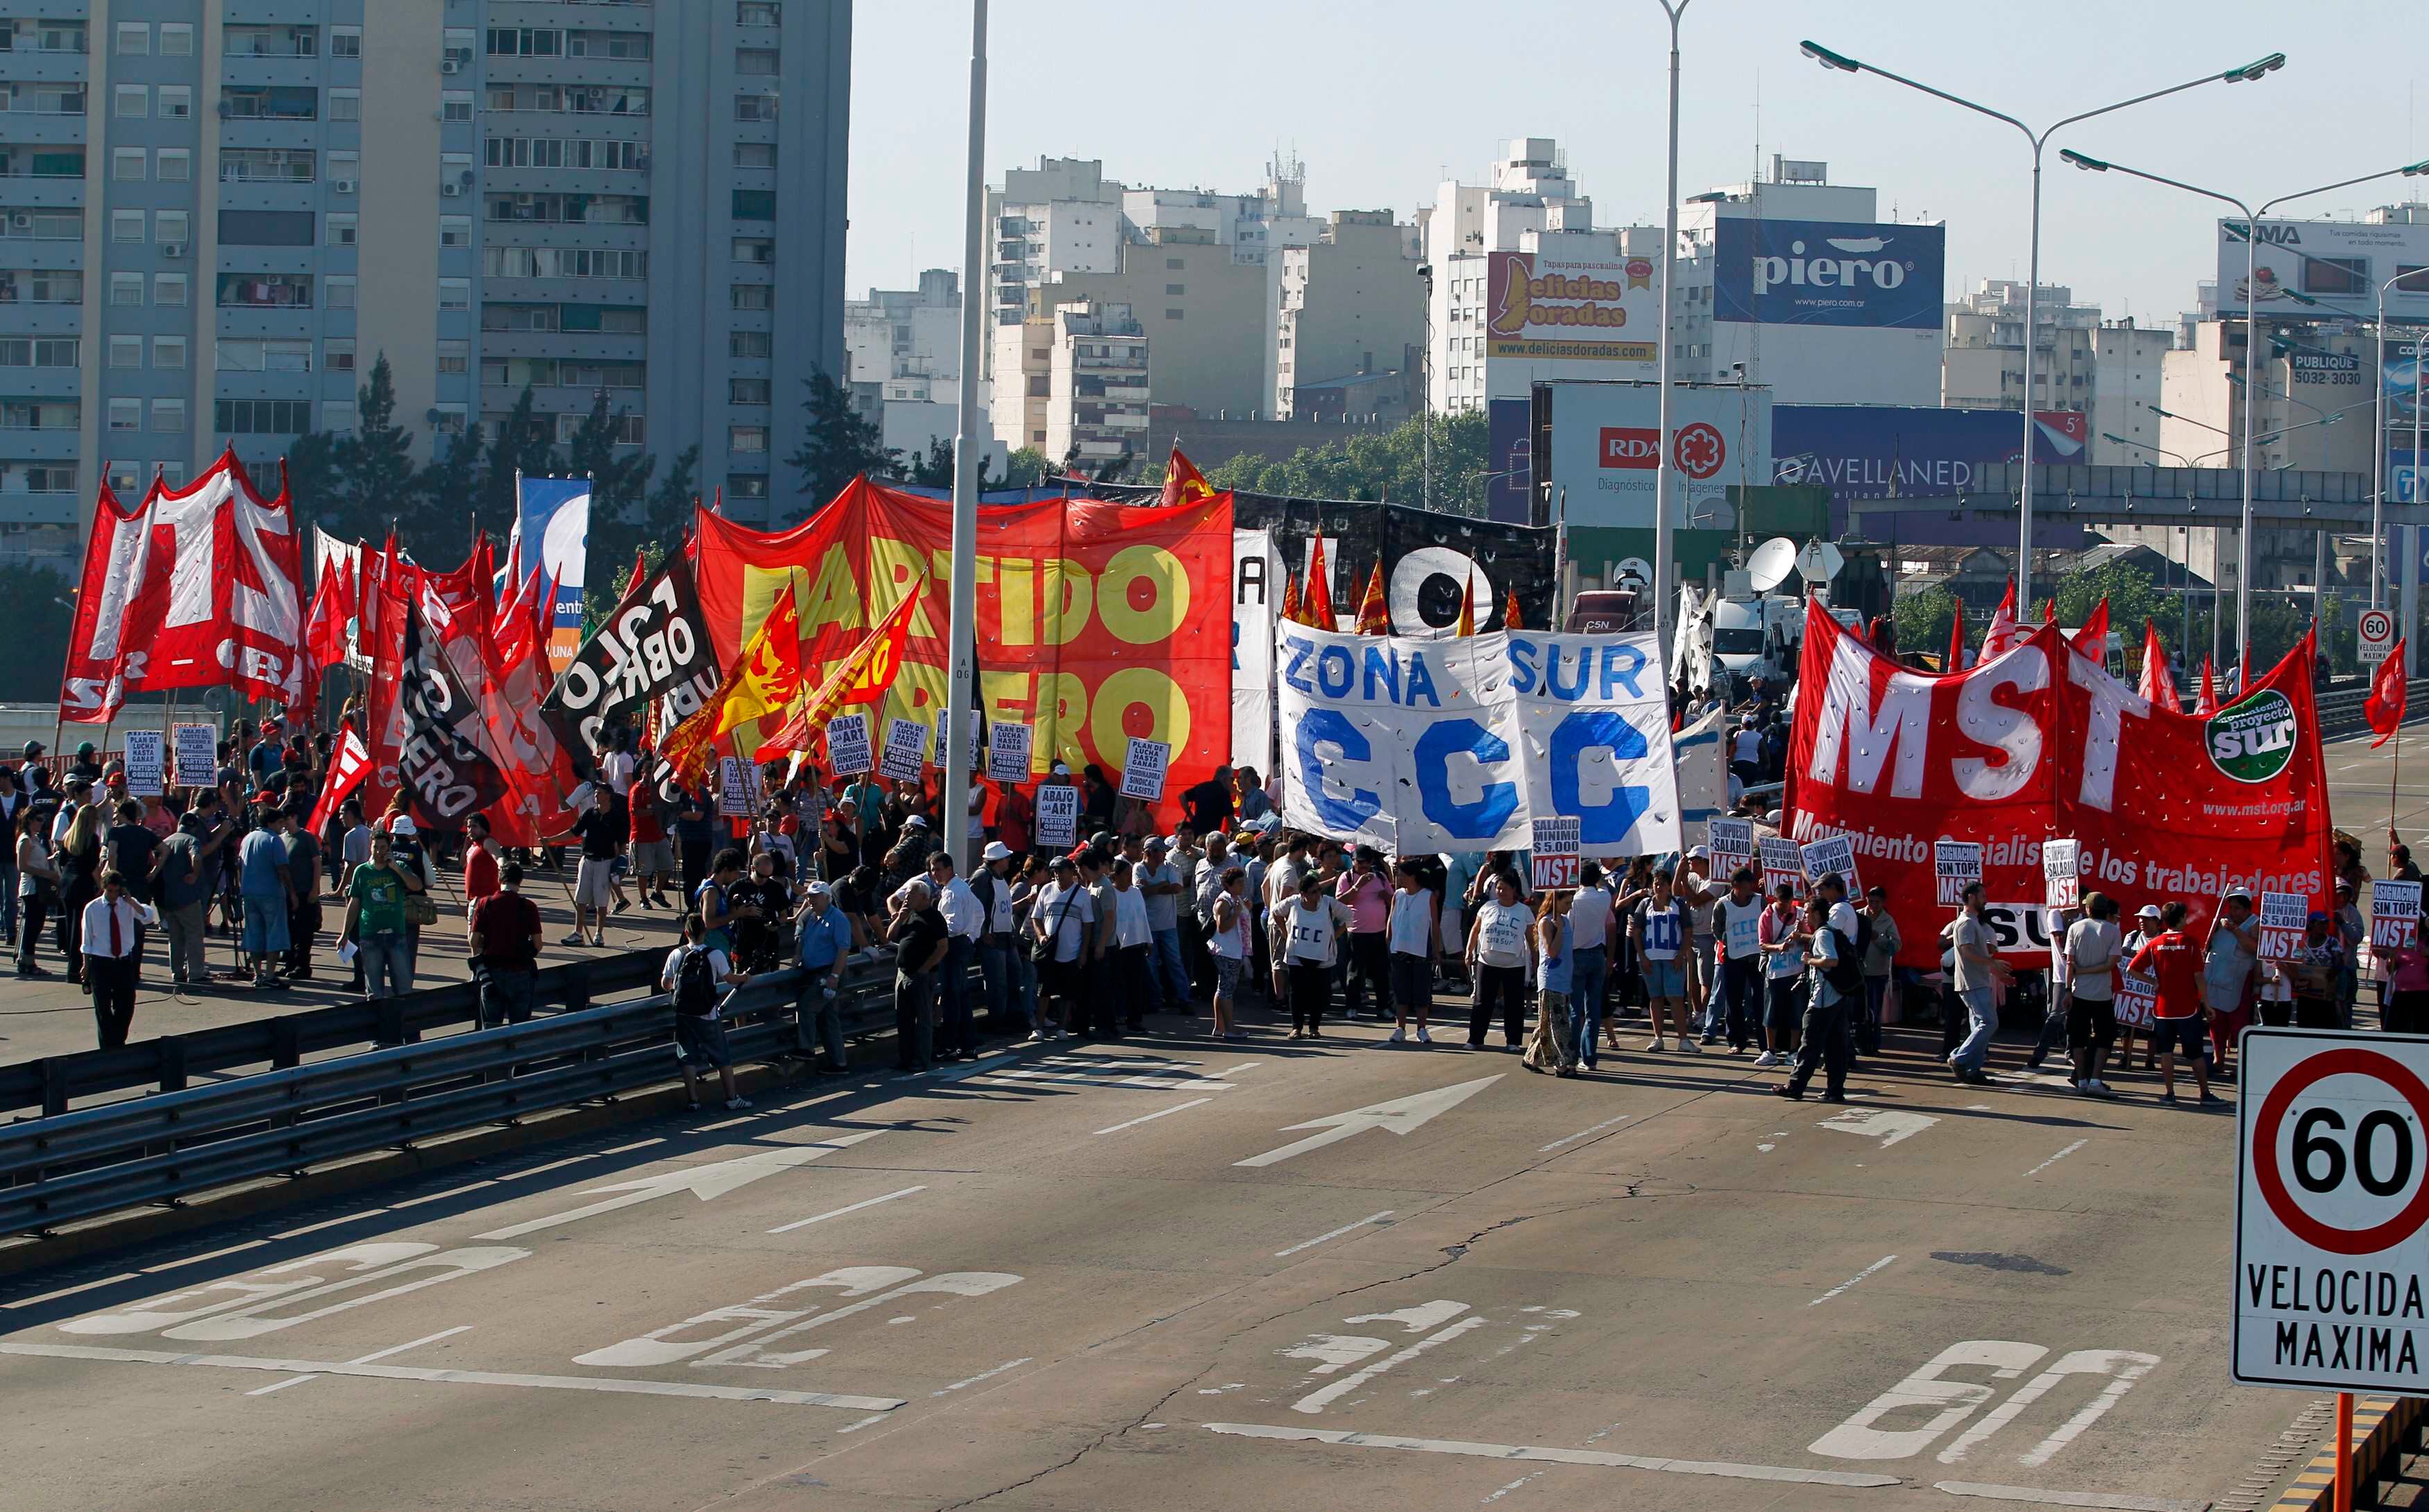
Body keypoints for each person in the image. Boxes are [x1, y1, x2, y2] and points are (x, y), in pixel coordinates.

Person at [2128, 900, 2217, 1106]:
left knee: (2165, 1052)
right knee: (2195, 1053)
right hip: (2187, 1009)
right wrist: (2207, 1004)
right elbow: (2199, 977)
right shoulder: (2191, 942)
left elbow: (2131, 969)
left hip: (2163, 1010)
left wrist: (2152, 982)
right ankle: (2205, 1093)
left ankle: (2169, 1093)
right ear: (2182, 918)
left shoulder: (2155, 943)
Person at [662, 913, 752, 1111]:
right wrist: (744, 977)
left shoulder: (677, 954)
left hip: (684, 1013)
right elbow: (729, 979)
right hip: (708, 1013)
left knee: (687, 1055)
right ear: (705, 931)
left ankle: (693, 1100)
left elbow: (665, 983)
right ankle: (731, 1098)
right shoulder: (715, 954)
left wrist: (676, 994)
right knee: (722, 1057)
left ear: (686, 932)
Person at [1776, 895, 1854, 1103]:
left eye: (1808, 912)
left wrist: (1810, 960)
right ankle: (1835, 1090)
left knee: (1809, 1044)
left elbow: (1832, 961)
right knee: (1836, 1047)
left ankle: (1795, 1086)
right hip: (1837, 997)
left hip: (1822, 1000)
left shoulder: (1822, 936)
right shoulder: (1829, 933)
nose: (1806, 917)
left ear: (1817, 914)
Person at [915, 851, 983, 1060]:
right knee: (960, 997)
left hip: (952, 946)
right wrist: (972, 937)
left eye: (938, 869)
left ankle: (949, 1045)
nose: (934, 874)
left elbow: (952, 926)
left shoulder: (954, 892)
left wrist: (937, 935)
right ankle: (967, 1045)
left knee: (952, 999)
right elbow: (979, 912)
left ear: (949, 869)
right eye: (932, 870)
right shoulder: (960, 888)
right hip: (961, 944)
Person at [342, 830, 425, 1000]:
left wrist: (395, 867)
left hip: (396, 935)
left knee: (403, 988)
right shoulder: (362, 871)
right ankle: (379, 1025)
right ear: (370, 847)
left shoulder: (399, 867)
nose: (379, 852)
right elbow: (354, 903)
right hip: (371, 936)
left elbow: (417, 886)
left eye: (383, 848)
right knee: (374, 992)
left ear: (389, 849)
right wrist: (344, 934)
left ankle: (405, 1024)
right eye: (376, 847)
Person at [1271, 870, 1351, 1040]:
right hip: (1297, 955)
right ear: (1303, 894)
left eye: (1318, 890)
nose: (1318, 894)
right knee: (1297, 992)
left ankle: (1314, 1027)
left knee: (1319, 993)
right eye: (1313, 891)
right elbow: (1276, 912)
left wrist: (1334, 937)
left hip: (1322, 957)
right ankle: (1296, 1028)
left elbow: (1348, 916)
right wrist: (1286, 933)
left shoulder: (1328, 903)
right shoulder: (1294, 903)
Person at [81, 869, 156, 1048]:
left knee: (126, 1006)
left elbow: (148, 917)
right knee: (103, 1009)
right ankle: (108, 1048)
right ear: (104, 888)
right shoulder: (92, 908)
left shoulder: (128, 905)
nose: (114, 895)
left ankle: (118, 1041)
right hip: (101, 962)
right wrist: (86, 965)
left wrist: (130, 900)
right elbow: (87, 940)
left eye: (117, 891)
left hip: (123, 962)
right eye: (110, 891)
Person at [791, 879, 858, 1074]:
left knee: (806, 1006)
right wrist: (798, 954)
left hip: (828, 974)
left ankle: (806, 1048)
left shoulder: (837, 919)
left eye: (815, 897)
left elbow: (843, 949)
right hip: (816, 973)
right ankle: (839, 1062)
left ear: (827, 898)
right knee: (828, 1019)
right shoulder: (812, 917)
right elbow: (801, 938)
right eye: (810, 897)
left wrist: (835, 975)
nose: (811, 900)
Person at [1947, 883, 2011, 1085]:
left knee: (1980, 1024)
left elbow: (1979, 954)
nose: (1986, 899)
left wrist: (1999, 973)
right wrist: (1993, 963)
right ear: (1972, 897)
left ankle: (1972, 1069)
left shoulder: (1973, 922)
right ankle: (1959, 1058)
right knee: (1989, 1022)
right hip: (1972, 982)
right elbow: (1967, 952)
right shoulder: (1966, 922)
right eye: (1983, 896)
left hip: (1977, 981)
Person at [468, 862, 544, 1026]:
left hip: (492, 974)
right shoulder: (528, 906)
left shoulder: (485, 904)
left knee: (491, 1029)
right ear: (520, 881)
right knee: (520, 1029)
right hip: (521, 973)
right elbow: (538, 944)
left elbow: (473, 941)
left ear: (499, 879)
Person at [888, 877, 949, 1073]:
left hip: (922, 975)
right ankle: (905, 1059)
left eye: (910, 895)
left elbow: (943, 948)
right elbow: (889, 936)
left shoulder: (935, 918)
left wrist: (925, 968)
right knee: (903, 1019)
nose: (906, 898)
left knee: (922, 1020)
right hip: (903, 973)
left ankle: (922, 1060)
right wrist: (899, 918)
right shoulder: (909, 915)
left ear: (923, 897)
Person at [1029, 855, 1094, 1042]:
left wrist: (1083, 952)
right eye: (1055, 871)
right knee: (1044, 991)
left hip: (1071, 952)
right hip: (1049, 952)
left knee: (1068, 992)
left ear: (1071, 872)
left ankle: (1063, 1028)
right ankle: (1039, 1028)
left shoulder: (1082, 894)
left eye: (1061, 871)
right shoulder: (1046, 890)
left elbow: (1088, 925)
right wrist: (1041, 936)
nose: (1057, 875)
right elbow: (1037, 917)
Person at [1465, 870, 1532, 1050]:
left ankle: (1513, 1041)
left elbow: (1531, 938)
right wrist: (1469, 950)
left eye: (1505, 889)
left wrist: (1536, 959)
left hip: (1514, 964)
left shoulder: (1524, 910)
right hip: (1487, 961)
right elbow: (1476, 929)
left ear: (1514, 890)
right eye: (1498, 888)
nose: (1501, 892)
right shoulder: (1487, 907)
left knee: (1514, 1004)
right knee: (1482, 1001)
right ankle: (1475, 1039)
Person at [2063, 893, 2122, 1096]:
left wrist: (2067, 990)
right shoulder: (2113, 930)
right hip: (2102, 995)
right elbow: (2111, 963)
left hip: (2080, 992)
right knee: (2105, 1038)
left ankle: (2082, 1081)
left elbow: (2070, 964)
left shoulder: (2075, 928)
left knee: (2078, 1039)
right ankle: (2095, 1079)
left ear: (2088, 909)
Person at [1709, 867, 1766, 1054]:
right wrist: (1730, 942)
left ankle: (1766, 1043)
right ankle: (1737, 1041)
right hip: (1733, 957)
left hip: (1757, 958)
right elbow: (1717, 929)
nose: (1750, 887)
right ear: (1735, 886)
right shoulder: (1722, 905)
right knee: (1733, 1001)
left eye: (1751, 883)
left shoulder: (1760, 901)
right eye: (1746, 884)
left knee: (1761, 1000)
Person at [1333, 846, 1393, 1023]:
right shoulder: (1347, 878)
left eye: (1367, 863)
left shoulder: (1380, 877)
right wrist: (1358, 887)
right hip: (1357, 933)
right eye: (1360, 863)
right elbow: (1340, 901)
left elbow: (1393, 901)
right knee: (1355, 972)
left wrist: (1385, 896)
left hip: (1379, 932)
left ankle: (1383, 1007)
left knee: (1381, 973)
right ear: (1353, 861)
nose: (1364, 866)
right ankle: (1352, 1006)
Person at [236, 806, 293, 991]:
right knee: (274, 934)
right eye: (279, 823)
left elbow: (239, 864)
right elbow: (283, 868)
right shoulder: (274, 840)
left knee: (253, 933)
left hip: (249, 892)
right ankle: (269, 975)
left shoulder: (248, 838)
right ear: (271, 823)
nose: (282, 827)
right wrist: (292, 891)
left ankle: (257, 974)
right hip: (271, 893)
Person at [556, 790, 622, 949]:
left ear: (608, 796)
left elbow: (620, 842)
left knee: (601, 901)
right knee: (581, 898)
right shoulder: (589, 814)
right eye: (597, 792)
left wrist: (619, 864)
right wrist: (551, 840)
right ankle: (578, 933)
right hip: (587, 860)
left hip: (604, 862)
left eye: (600, 793)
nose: (596, 795)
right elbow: (574, 831)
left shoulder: (615, 817)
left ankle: (599, 934)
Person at [1524, 889, 1579, 1076]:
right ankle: (1563, 1064)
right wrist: (1560, 931)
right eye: (1566, 903)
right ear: (1556, 901)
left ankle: (1531, 1058)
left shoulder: (1565, 920)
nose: (1569, 906)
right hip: (1551, 979)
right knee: (1559, 1024)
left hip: (1564, 978)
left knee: (1547, 1022)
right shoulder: (1546, 922)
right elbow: (1552, 951)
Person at [1752, 881, 1806, 1068]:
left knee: (1796, 1013)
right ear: (1776, 900)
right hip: (1775, 972)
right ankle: (1771, 1050)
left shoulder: (1801, 914)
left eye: (1788, 904)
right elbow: (1763, 944)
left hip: (1797, 971)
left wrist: (1801, 934)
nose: (1785, 908)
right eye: (1782, 904)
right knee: (1771, 1013)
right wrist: (1779, 947)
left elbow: (1810, 938)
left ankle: (1793, 1051)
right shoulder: (1767, 916)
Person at [2203, 889, 2259, 1069]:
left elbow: (2255, 948)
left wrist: (2234, 930)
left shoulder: (2254, 924)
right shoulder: (2222, 921)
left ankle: (2241, 1064)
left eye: (2237, 908)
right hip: (2216, 977)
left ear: (2246, 909)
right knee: (2216, 1021)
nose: (2233, 912)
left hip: (2239, 981)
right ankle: (2218, 1059)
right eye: (2231, 907)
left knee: (2239, 1024)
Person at [1388, 858, 1437, 1046]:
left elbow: (1435, 924)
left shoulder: (1427, 895)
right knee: (1401, 990)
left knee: (1421, 991)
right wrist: (1388, 940)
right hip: (1399, 947)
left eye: (1402, 874)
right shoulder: (1398, 895)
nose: (1399, 878)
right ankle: (1400, 1028)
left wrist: (1437, 950)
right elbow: (1391, 919)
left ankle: (1422, 1029)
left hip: (1420, 948)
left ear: (1413, 876)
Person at [1139, 835, 1190, 1014]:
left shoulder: (1171, 867)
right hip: (1148, 927)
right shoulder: (1139, 868)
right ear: (1150, 853)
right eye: (1161, 852)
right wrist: (1162, 885)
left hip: (1169, 925)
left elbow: (1176, 888)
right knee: (1150, 964)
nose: (1164, 855)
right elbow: (1140, 892)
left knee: (1175, 962)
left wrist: (1152, 888)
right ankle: (1155, 999)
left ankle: (1184, 999)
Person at [1208, 865, 1252, 1042]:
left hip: (1234, 950)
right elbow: (1223, 927)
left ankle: (1220, 1027)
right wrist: (1237, 913)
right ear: (1229, 884)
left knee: (1223, 988)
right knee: (1227, 990)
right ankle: (1230, 1029)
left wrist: (1244, 907)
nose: (1242, 886)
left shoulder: (1236, 899)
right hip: (1226, 951)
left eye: (1243, 882)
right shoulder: (1224, 902)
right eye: (1239, 883)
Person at [14, 805, 58, 978]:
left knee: (36, 925)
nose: (42, 823)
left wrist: (50, 860)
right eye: (39, 820)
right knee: (32, 926)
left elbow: (36, 861)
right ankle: (28, 961)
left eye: (43, 820)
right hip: (32, 887)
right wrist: (47, 873)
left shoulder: (36, 839)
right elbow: (23, 866)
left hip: (39, 886)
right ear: (30, 820)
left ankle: (27, 960)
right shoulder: (25, 839)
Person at [1859, 886, 1902, 1057]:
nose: (1873, 905)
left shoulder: (1888, 920)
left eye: (1877, 902)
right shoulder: (1858, 915)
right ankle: (1860, 1043)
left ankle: (1873, 1044)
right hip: (1860, 971)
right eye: (1871, 901)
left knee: (1875, 1011)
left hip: (1878, 972)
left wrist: (1879, 939)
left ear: (1883, 903)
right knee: (1860, 1011)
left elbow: (1897, 945)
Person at [2289, 912, 2344, 1030]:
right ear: (2312, 925)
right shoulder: (2303, 943)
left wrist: (2332, 973)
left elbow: (2339, 962)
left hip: (2325, 994)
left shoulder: (2332, 942)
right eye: (2321, 923)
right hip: (2306, 994)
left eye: (2326, 923)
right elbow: (2295, 960)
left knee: (2326, 1026)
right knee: (2305, 1026)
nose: (2325, 926)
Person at [695, 848, 746, 955]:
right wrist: (737, 914)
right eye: (736, 873)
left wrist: (731, 905)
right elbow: (709, 923)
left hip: (719, 947)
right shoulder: (711, 891)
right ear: (725, 870)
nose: (737, 877)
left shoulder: (719, 888)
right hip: (711, 949)